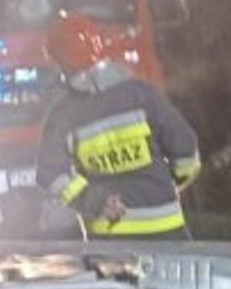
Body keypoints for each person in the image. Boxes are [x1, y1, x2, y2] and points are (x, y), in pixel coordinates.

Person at [35, 13, 201, 239]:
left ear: (59, 61)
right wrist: (165, 184)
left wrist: (92, 200)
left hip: (109, 239)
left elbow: (50, 176)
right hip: (167, 230)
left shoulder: (62, 115)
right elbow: (185, 150)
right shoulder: (141, 94)